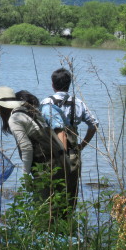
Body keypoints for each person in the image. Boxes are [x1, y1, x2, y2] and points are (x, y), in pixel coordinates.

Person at [0, 86, 71, 216]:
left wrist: (25, 177)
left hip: (46, 167)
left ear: (1, 106)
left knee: (43, 212)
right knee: (60, 210)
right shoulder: (29, 111)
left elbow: (26, 148)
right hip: (60, 162)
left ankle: (45, 233)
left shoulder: (14, 118)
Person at [40, 68, 98, 210]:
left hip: (52, 155)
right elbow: (94, 125)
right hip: (73, 154)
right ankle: (68, 226)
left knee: (49, 195)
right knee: (70, 195)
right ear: (69, 84)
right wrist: (81, 145)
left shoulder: (46, 102)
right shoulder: (78, 102)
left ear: (53, 84)